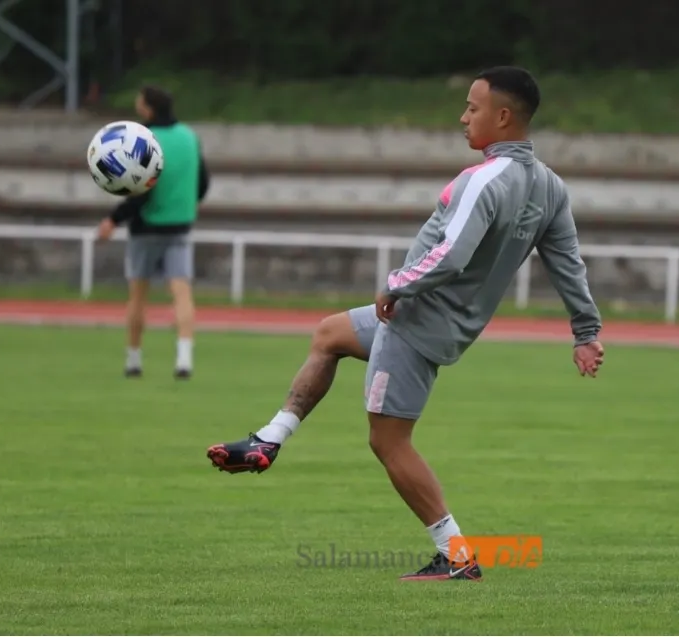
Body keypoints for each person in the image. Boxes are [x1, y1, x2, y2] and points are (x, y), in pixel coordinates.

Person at [206, 66, 605, 581]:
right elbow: (567, 262)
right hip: (447, 323)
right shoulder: (550, 187)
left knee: (388, 442)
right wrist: (586, 332)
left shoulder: (483, 179)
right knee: (329, 335)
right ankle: (269, 438)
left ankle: (457, 557)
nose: (463, 118)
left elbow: (451, 254)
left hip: (415, 319)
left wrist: (396, 284)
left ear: (502, 117)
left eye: (472, 108)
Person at [96, 85, 210, 380]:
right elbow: (203, 181)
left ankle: (134, 359)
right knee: (181, 291)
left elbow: (140, 189)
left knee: (138, 294)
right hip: (181, 224)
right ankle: (184, 359)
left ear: (148, 108)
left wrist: (114, 219)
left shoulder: (143, 139)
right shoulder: (189, 136)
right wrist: (186, 202)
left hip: (147, 227)